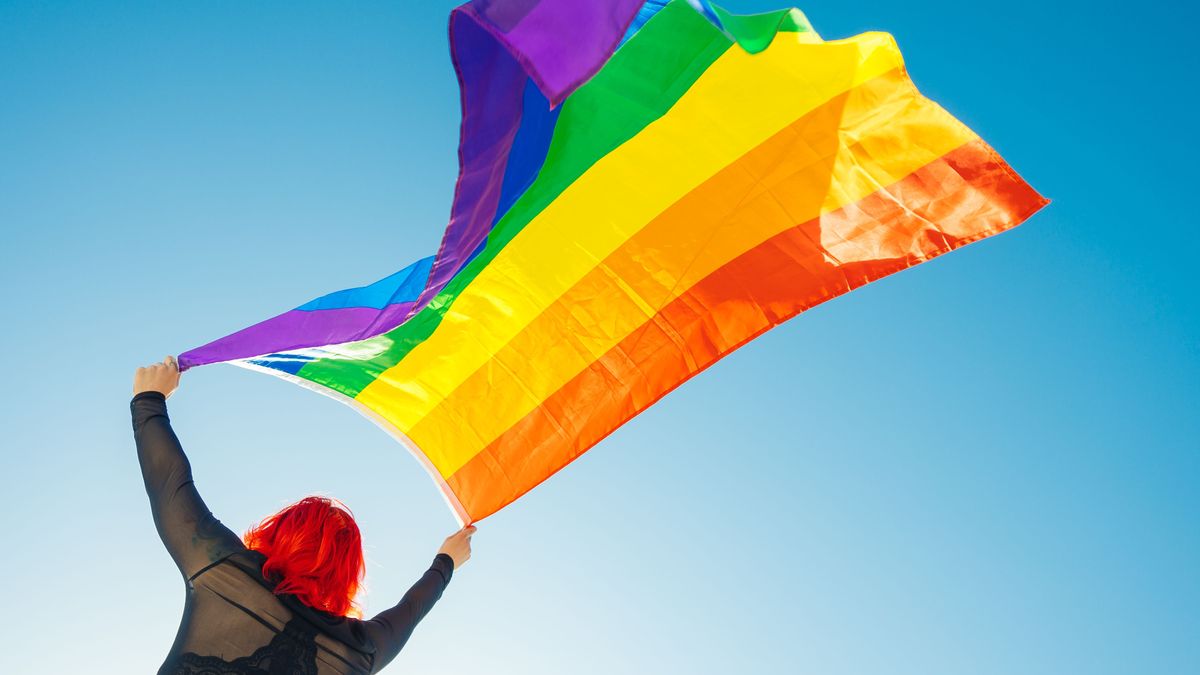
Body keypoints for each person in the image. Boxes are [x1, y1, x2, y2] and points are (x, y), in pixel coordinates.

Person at [131, 355, 475, 674]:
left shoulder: (227, 568)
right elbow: (411, 610)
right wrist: (445, 561)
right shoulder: (361, 650)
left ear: (279, 532)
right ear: (346, 572)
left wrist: (149, 401)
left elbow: (170, 484)